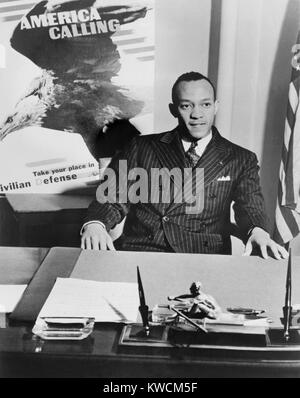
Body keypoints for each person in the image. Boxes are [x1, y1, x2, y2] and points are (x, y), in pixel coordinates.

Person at [81, 71, 288, 260]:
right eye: (186, 105)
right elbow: (111, 197)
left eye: (205, 104)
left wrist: (257, 231)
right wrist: (96, 224)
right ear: (173, 109)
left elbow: (250, 206)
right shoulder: (141, 147)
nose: (197, 114)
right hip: (143, 253)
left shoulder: (241, 159)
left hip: (203, 259)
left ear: (216, 106)